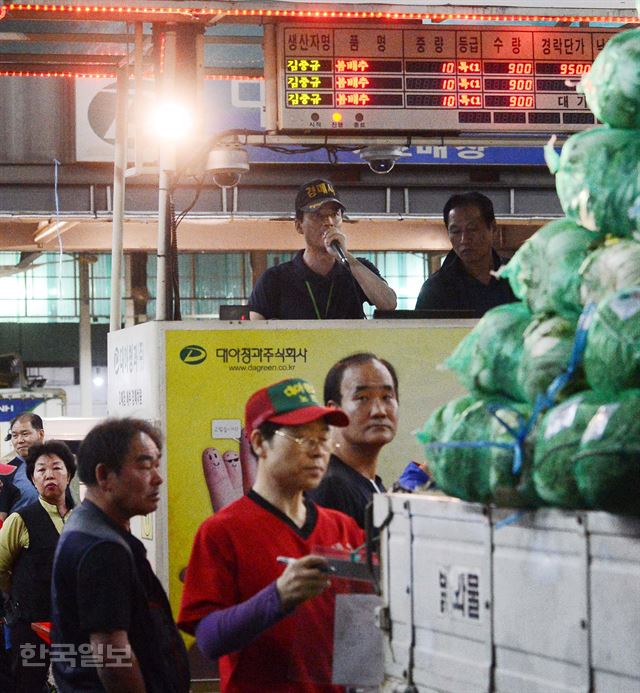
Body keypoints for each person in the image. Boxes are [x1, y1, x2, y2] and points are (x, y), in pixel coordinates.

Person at [178, 378, 364, 692]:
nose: (318, 451)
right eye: (302, 438)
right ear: (259, 443)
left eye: (324, 438)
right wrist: (277, 597)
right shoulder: (222, 531)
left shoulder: (342, 528)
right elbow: (208, 639)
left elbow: (360, 633)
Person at [51, 418, 189, 693]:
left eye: (156, 465)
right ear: (104, 476)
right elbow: (113, 658)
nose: (158, 478)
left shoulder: (87, 525)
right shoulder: (101, 548)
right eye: (145, 466)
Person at [248, 179, 397, 319]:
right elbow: (256, 334)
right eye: (317, 216)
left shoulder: (359, 269)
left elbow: (389, 304)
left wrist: (346, 257)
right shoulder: (274, 280)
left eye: (334, 214)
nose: (329, 222)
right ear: (299, 226)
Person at [0, 440, 75, 692]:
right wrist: (19, 596)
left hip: (76, 622)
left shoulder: (84, 518)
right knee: (29, 683)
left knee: (77, 682)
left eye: (57, 468)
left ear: (70, 474)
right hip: (31, 623)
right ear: (32, 479)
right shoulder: (19, 520)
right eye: (41, 470)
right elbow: (1, 568)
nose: (49, 475)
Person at [308, 353, 399, 529]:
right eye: (362, 398)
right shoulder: (330, 486)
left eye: (387, 397)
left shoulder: (370, 483)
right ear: (333, 410)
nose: (379, 411)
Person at [415, 191, 516, 317]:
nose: (464, 239)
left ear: (493, 228)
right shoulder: (436, 289)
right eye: (456, 231)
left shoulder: (519, 278)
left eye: (472, 229)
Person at [0, 413, 46, 521]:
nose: (19, 440)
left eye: (25, 434)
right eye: (14, 435)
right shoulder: (6, 472)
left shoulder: (60, 465)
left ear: (41, 434)